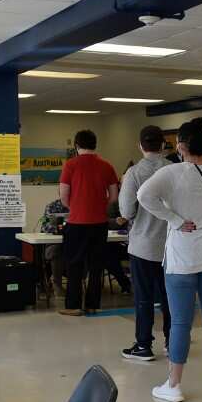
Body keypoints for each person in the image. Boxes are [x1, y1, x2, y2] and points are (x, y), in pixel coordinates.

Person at [138, 118, 202, 402]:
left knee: (180, 323)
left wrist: (175, 220)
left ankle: (174, 385)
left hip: (182, 257)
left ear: (180, 146)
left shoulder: (172, 172)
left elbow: (144, 196)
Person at [119, 125, 172, 361]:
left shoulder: (134, 173)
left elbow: (126, 211)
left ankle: (143, 345)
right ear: (163, 145)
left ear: (140, 146)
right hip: (171, 246)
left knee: (144, 297)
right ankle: (173, 342)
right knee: (170, 297)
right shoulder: (175, 170)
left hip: (142, 245)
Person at [58, 130, 120, 316]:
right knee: (96, 266)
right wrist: (100, 205)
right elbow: (114, 196)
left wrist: (76, 206)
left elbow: (63, 196)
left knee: (74, 265)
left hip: (76, 223)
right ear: (95, 145)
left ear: (76, 146)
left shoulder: (70, 165)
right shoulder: (107, 166)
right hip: (100, 223)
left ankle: (73, 305)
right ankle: (93, 305)